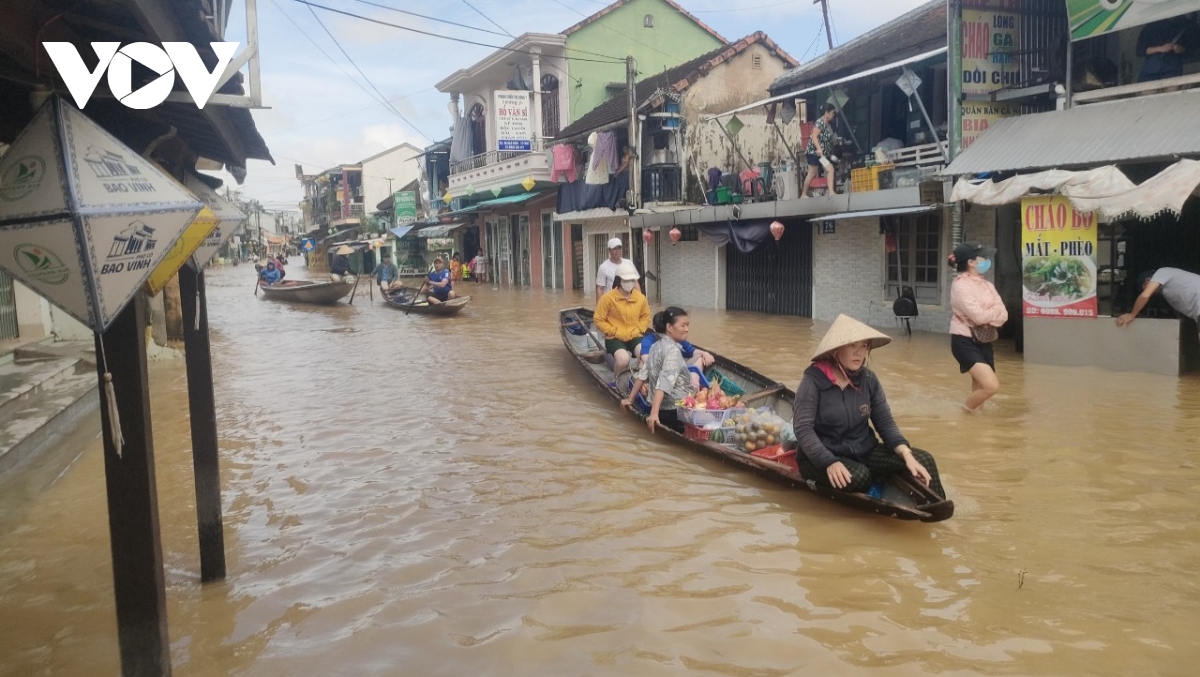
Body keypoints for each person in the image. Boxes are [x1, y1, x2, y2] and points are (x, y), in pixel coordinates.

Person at [792, 314, 945, 498]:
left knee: (924, 459)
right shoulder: (813, 381)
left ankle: (938, 509)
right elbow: (803, 429)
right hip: (819, 457)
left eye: (864, 346)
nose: (859, 353)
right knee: (860, 476)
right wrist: (828, 462)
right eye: (852, 346)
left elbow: (885, 423)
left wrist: (906, 454)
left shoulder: (869, 380)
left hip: (864, 450)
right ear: (836, 350)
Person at [949, 242, 1008, 412]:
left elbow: (1004, 315)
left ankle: (974, 426)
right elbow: (978, 316)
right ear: (971, 262)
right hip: (963, 340)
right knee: (991, 386)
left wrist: (989, 314)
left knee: (981, 388)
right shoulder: (960, 285)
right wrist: (992, 312)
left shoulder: (987, 285)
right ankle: (964, 412)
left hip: (984, 339)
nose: (987, 260)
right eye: (983, 257)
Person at [621, 306, 697, 434]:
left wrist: (630, 399)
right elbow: (664, 382)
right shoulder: (673, 350)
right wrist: (654, 414)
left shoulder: (656, 346)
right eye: (683, 325)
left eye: (687, 325)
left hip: (663, 409)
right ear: (669, 327)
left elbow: (643, 374)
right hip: (677, 412)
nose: (687, 329)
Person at [593, 260, 650, 378]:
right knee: (624, 360)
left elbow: (645, 316)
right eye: (626, 280)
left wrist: (638, 330)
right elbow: (598, 319)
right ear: (619, 280)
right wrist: (613, 331)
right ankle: (617, 380)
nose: (629, 283)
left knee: (646, 357)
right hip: (615, 337)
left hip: (634, 335)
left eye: (632, 280)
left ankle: (638, 381)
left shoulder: (640, 298)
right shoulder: (607, 298)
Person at [1116, 267, 1200, 327]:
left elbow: (1145, 296)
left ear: (1147, 280)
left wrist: (1132, 315)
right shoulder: (1169, 292)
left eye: (1144, 287)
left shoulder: (1161, 272)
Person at [636, 325, 714, 387]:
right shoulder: (648, 341)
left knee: (700, 358)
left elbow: (692, 351)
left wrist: (705, 353)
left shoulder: (677, 338)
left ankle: (694, 386)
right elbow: (648, 363)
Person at [1136, 16, 1199, 83]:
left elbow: (1194, 46)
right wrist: (1160, 49)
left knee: (1172, 91)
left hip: (1172, 68)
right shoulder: (1152, 26)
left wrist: (1181, 49)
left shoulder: (1186, 24)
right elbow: (1140, 50)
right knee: (1148, 90)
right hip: (1152, 68)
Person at [801, 103, 839, 198]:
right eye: (832, 113)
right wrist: (819, 148)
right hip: (814, 153)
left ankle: (831, 192)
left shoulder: (828, 125)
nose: (833, 115)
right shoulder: (819, 123)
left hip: (822, 155)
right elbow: (814, 136)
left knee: (830, 169)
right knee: (812, 173)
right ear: (827, 113)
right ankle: (803, 194)